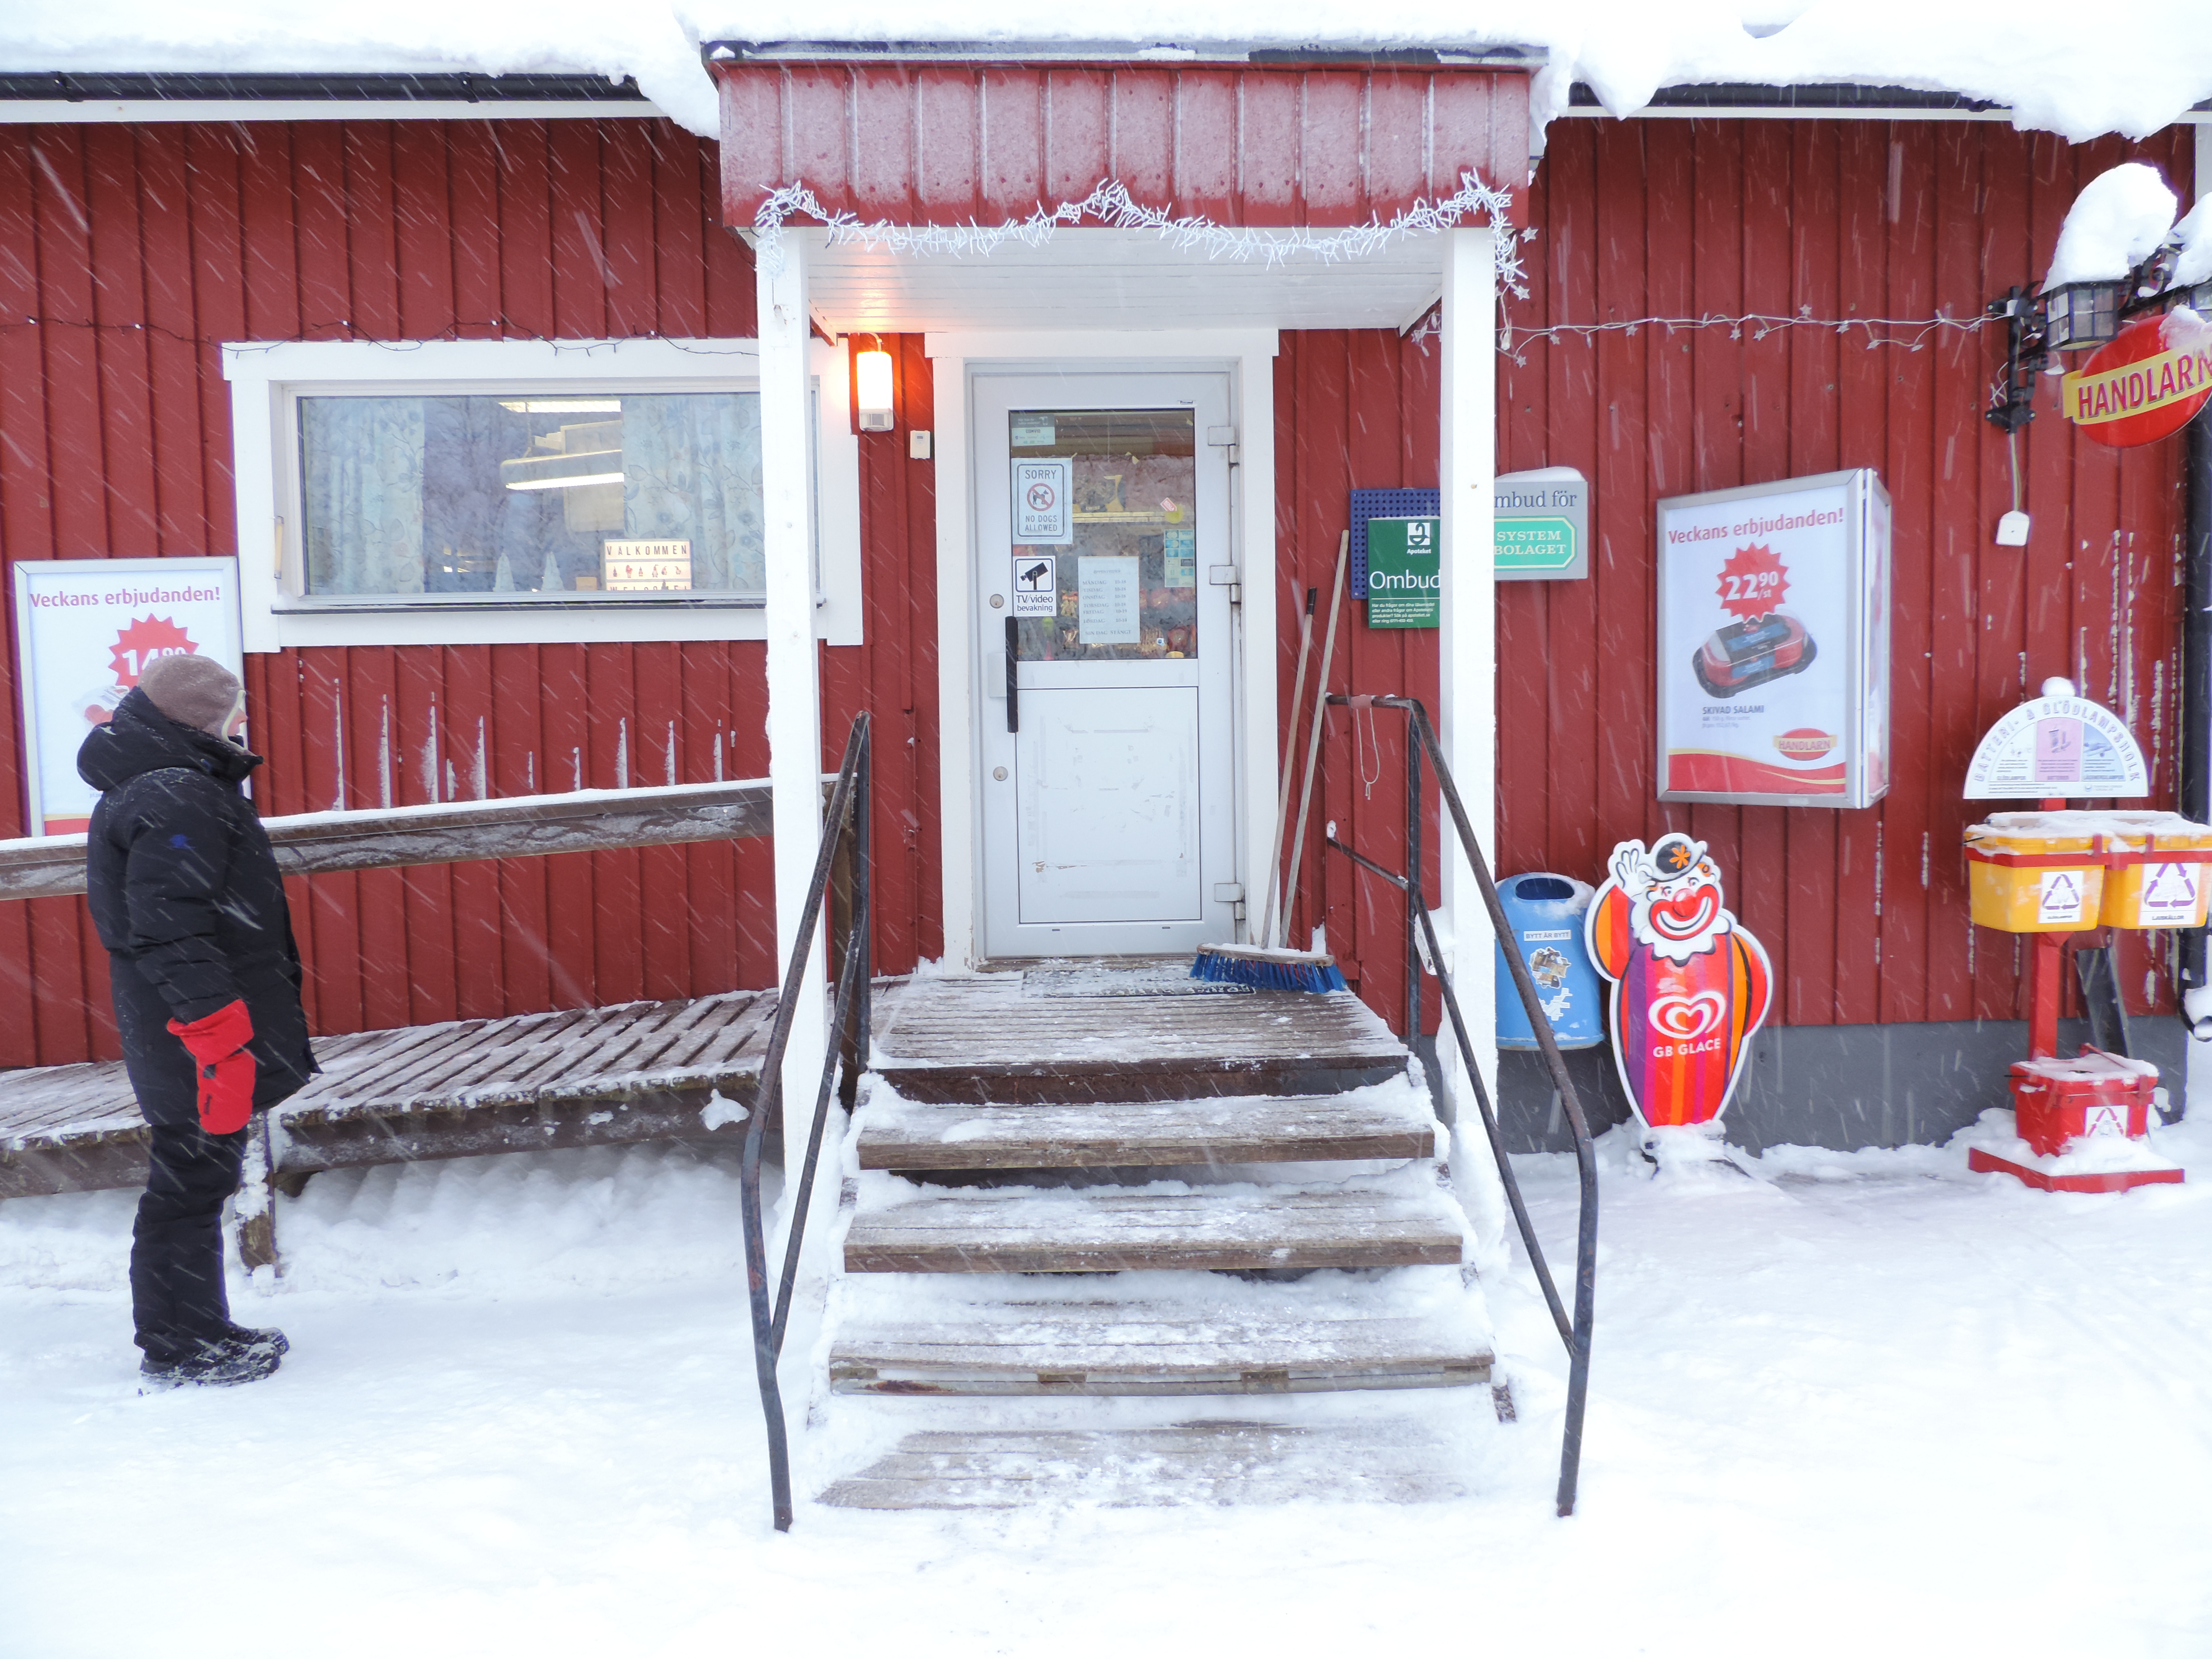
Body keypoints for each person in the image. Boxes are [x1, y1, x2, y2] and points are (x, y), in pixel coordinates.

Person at [79, 654, 316, 1389]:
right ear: (202, 718)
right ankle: (179, 1344)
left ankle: (196, 1327)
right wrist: (217, 1034)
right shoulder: (176, 794)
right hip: (193, 1029)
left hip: (181, 1023)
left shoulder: (164, 782)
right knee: (188, 1179)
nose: (242, 722)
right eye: (233, 711)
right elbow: (170, 928)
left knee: (198, 1176)